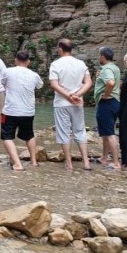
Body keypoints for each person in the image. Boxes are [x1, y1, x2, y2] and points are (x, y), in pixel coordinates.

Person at [48, 38, 92, 171]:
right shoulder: (81, 64)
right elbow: (88, 83)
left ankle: (69, 163)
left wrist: (68, 96)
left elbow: (54, 84)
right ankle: (86, 162)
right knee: (80, 130)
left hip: (62, 103)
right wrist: (77, 95)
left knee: (63, 132)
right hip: (78, 103)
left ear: (60, 49)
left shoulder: (56, 64)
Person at [0, 50, 43, 171]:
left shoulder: (8, 72)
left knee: (7, 137)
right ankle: (33, 161)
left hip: (10, 111)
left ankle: (18, 163)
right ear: (28, 62)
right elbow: (39, 86)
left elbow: (3, 83)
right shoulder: (34, 75)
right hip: (28, 112)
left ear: (15, 60)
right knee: (29, 135)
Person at [94, 47, 121, 170]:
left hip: (107, 103)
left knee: (110, 133)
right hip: (115, 102)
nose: (98, 58)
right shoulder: (115, 67)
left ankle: (115, 163)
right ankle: (104, 158)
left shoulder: (107, 69)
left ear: (103, 57)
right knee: (106, 132)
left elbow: (110, 83)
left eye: (99, 55)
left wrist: (105, 94)